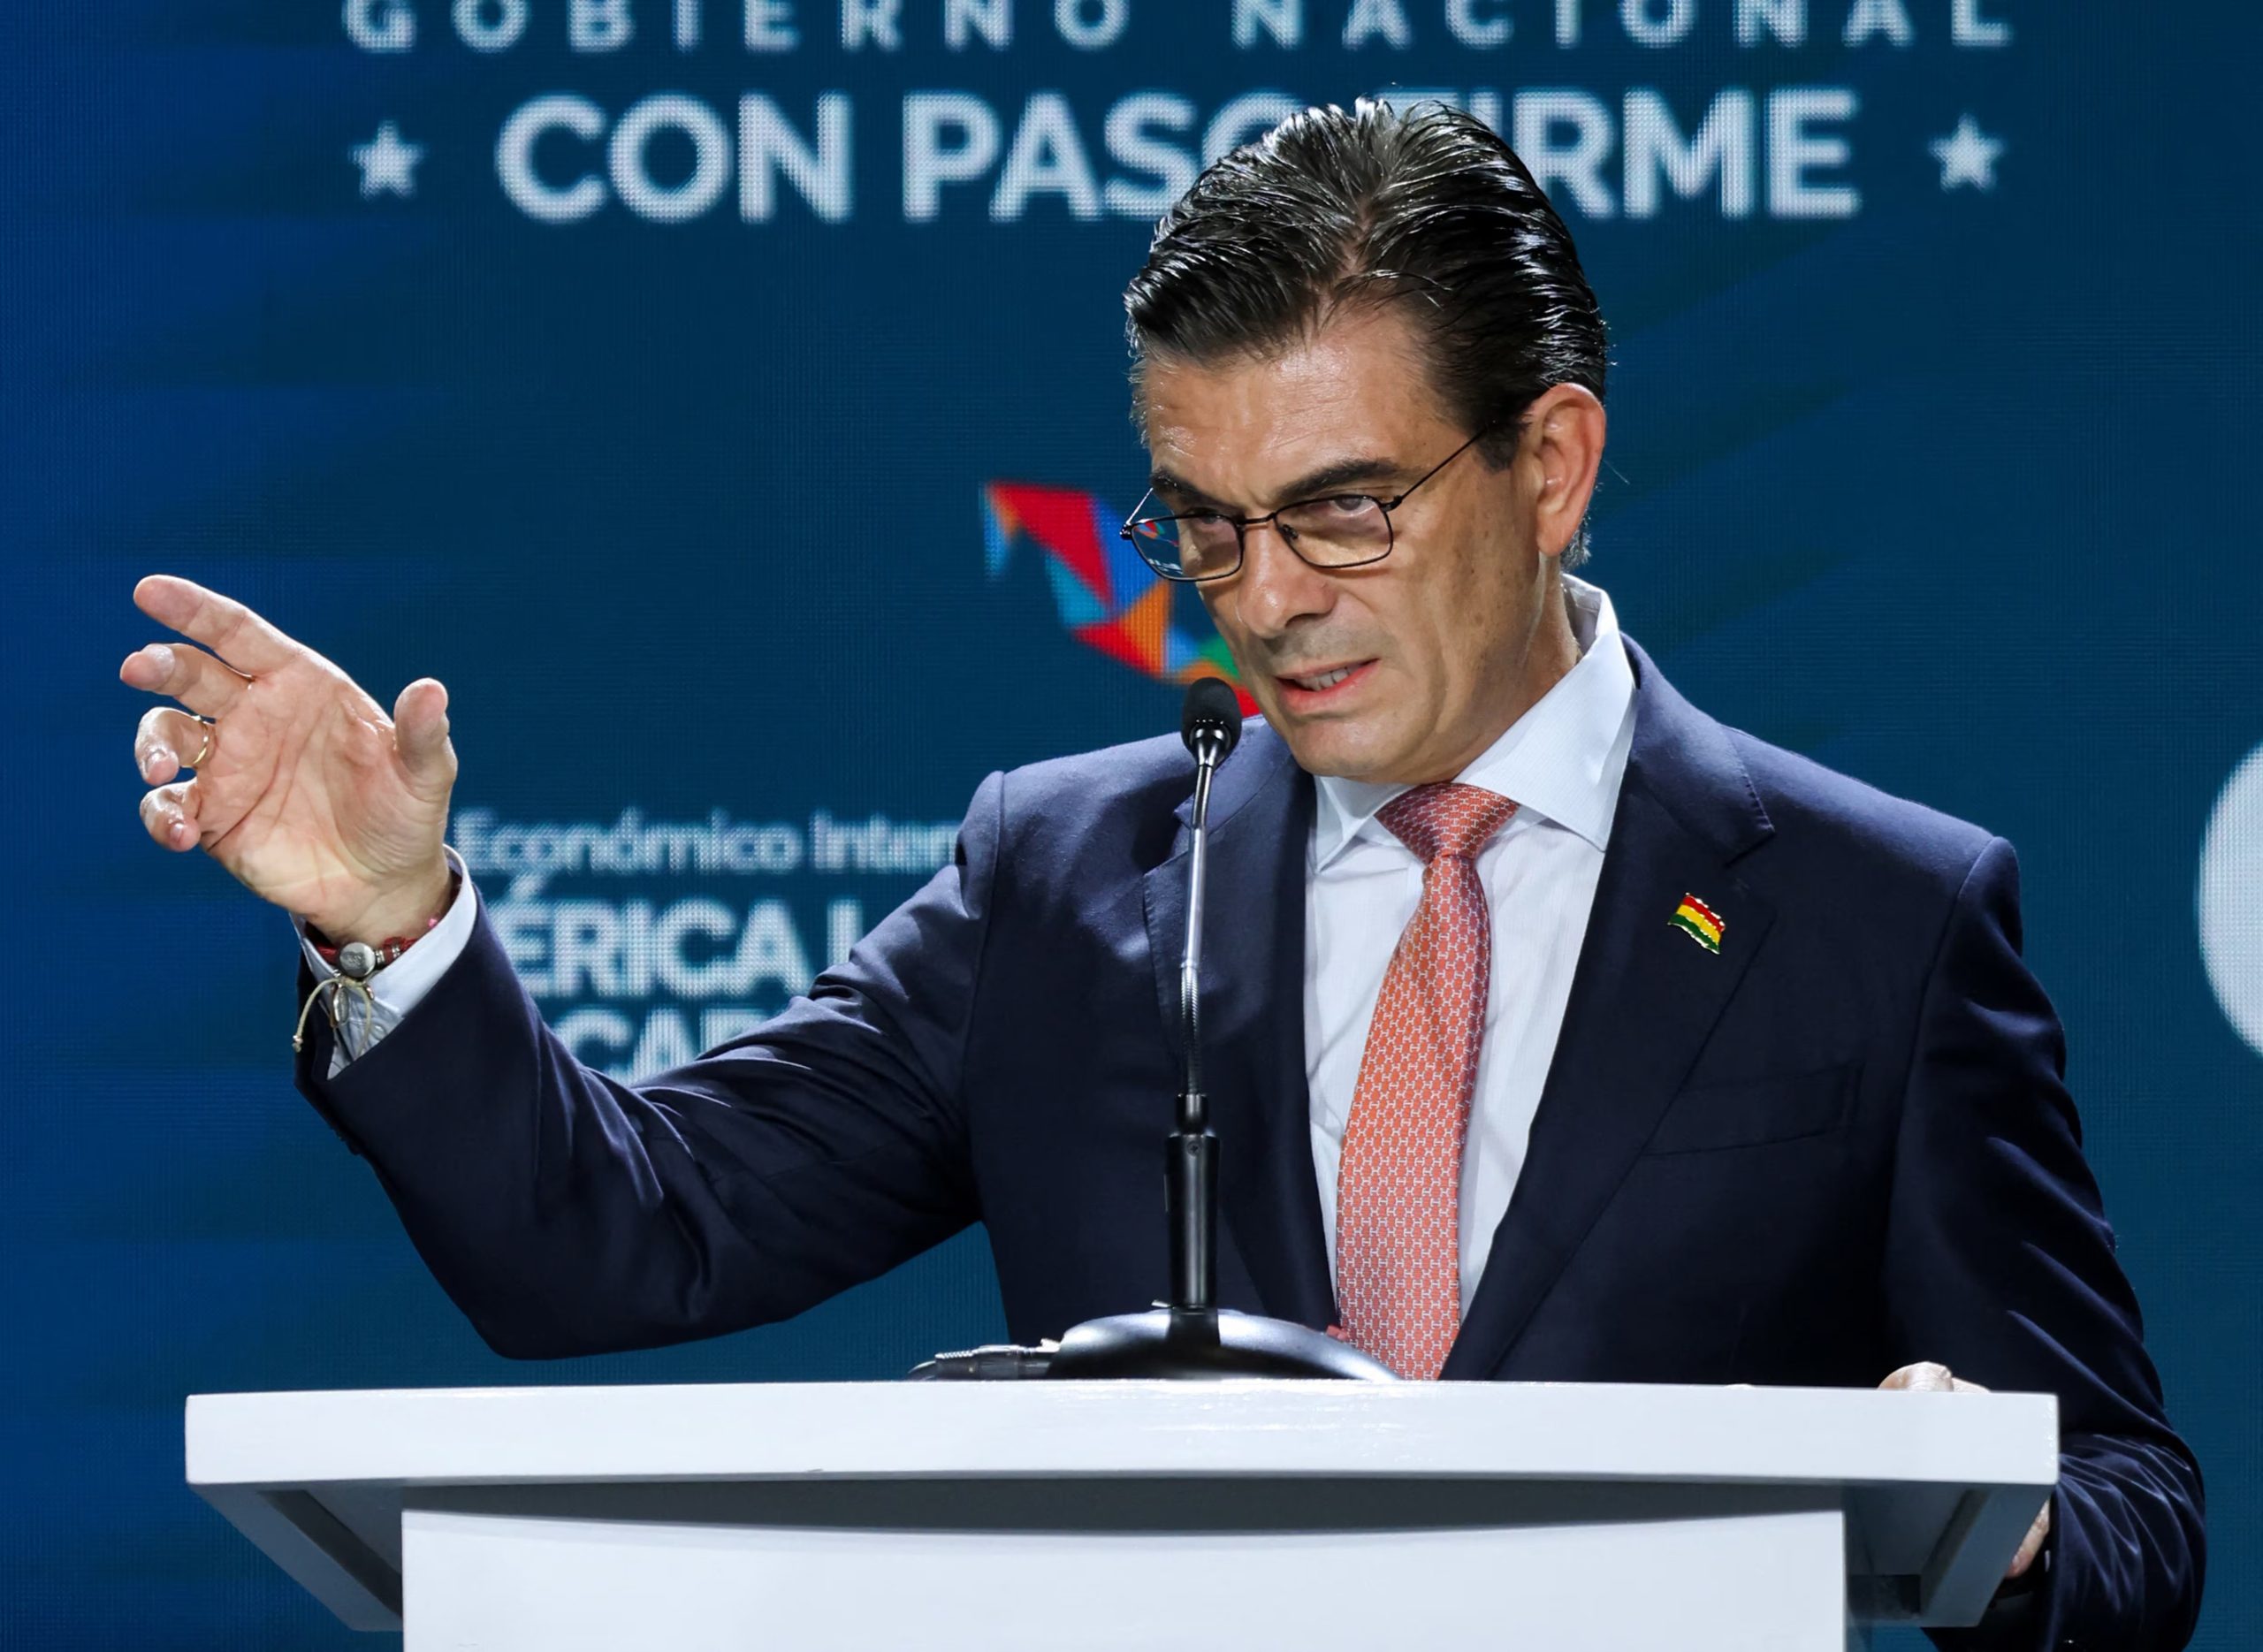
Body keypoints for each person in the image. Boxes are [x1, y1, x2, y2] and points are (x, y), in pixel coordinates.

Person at [120, 101, 2200, 1647]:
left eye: (1342, 508)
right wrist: (393, 918)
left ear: (1550, 461)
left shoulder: (1873, 917)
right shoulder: (1070, 875)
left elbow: (2129, 1509)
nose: (1263, 602)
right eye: (1200, 525)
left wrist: (1990, 1506)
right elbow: (614, 1240)